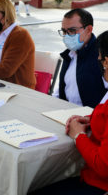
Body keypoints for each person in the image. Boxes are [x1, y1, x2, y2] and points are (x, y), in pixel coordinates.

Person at [29, 31, 108, 195]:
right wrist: (91, 120)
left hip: (99, 184)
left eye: (100, 58)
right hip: (93, 177)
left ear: (106, 61)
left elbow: (103, 166)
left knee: (32, 187)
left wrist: (79, 136)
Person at [53, 8, 106, 108]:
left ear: (89, 29)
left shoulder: (101, 55)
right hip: (64, 112)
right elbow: (63, 88)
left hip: (91, 118)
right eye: (64, 31)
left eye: (72, 30)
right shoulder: (69, 54)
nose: (67, 36)